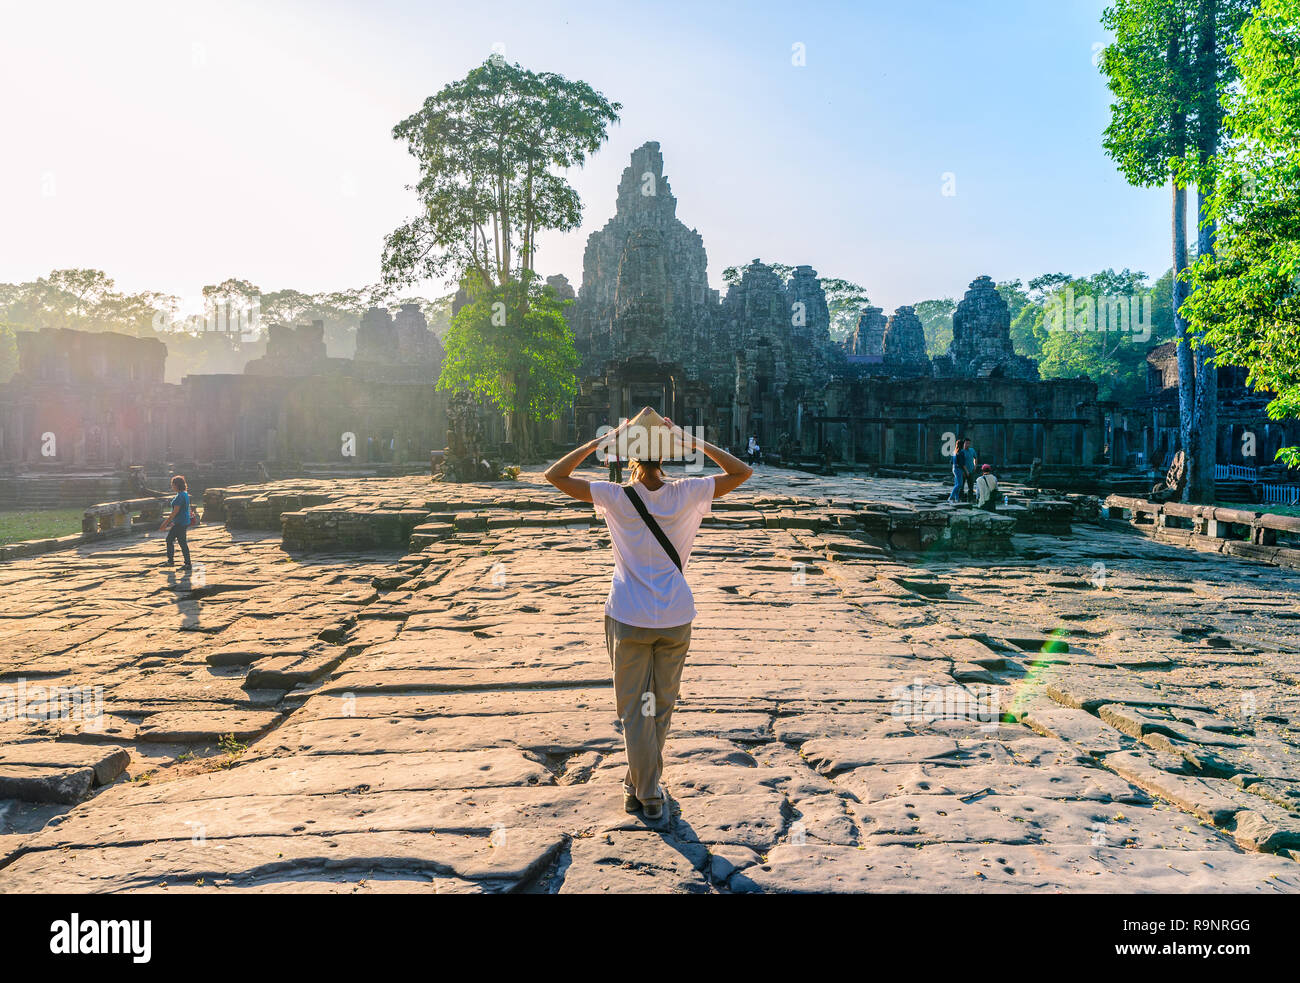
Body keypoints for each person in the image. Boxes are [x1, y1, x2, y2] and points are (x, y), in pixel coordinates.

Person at [543, 411, 754, 824]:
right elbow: (742, 471)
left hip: (628, 616)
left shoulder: (615, 496)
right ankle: (638, 781)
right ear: (667, 459)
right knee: (659, 706)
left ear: (630, 458)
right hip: (676, 617)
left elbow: (556, 475)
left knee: (634, 711)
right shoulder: (689, 491)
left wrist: (605, 440)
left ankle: (648, 791)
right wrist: (692, 442)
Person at [160, 475, 193, 571]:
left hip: (180, 523)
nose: (172, 486)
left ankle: (174, 562)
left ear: (177, 485)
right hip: (183, 521)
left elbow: (175, 512)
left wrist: (165, 523)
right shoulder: (184, 494)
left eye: (173, 485)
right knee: (181, 542)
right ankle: (186, 563)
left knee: (170, 540)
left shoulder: (180, 496)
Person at [948, 438, 970, 503]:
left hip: (954, 468)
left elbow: (951, 462)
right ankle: (951, 497)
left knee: (957, 484)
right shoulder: (961, 452)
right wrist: (966, 471)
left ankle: (957, 498)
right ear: (962, 445)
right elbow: (962, 464)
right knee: (959, 484)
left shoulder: (954, 452)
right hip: (958, 469)